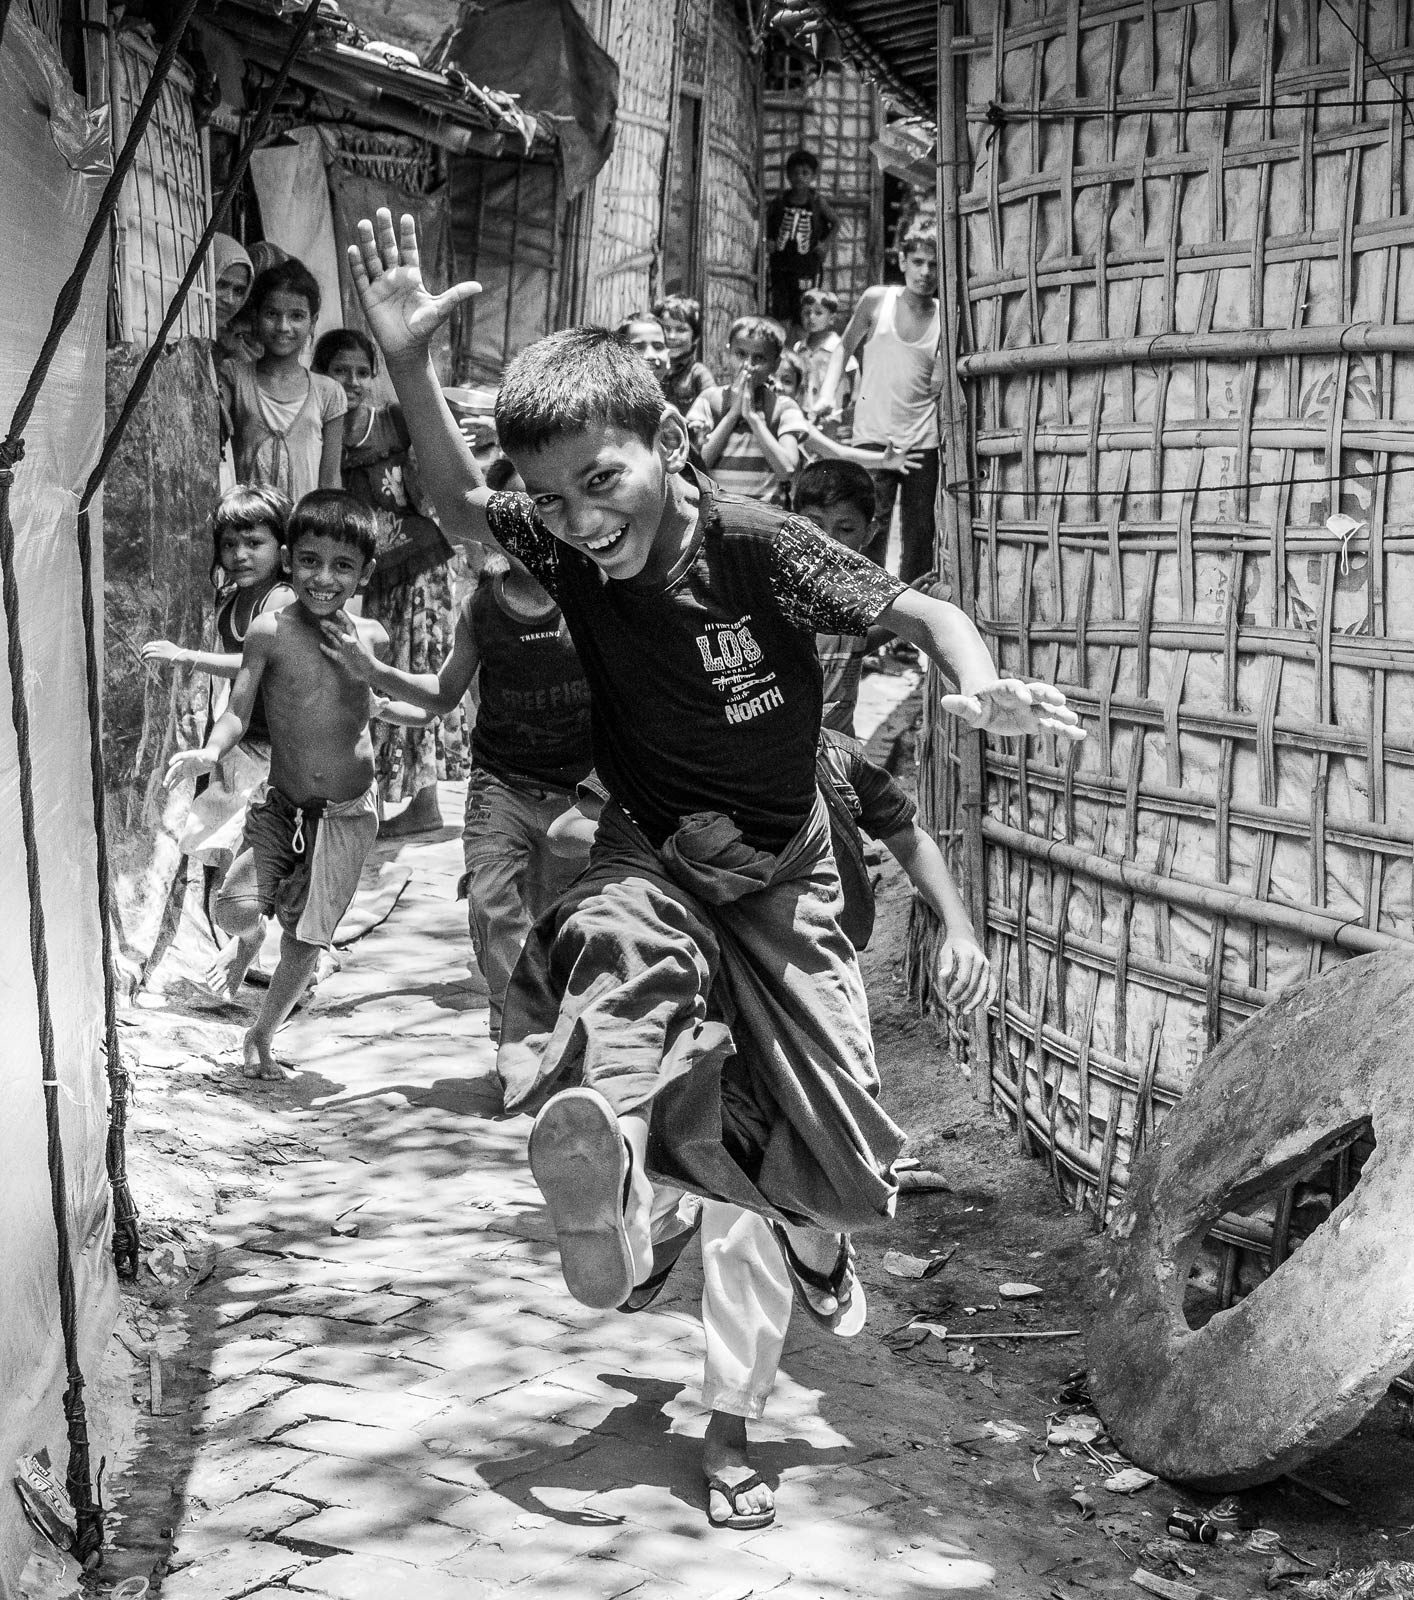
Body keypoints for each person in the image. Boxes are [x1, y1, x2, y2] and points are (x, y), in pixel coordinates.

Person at [348, 205, 1080, 1284]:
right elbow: (462, 502)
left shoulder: (761, 550)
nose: (579, 521)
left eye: (600, 482)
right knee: (616, 963)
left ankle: (805, 1238)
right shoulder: (561, 560)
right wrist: (408, 365)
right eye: (549, 501)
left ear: (671, 445)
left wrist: (979, 685)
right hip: (649, 849)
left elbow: (922, 616)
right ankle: (626, 1182)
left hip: (787, 869)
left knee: (838, 1153)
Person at [545, 731, 991, 1529]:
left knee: (779, 1198)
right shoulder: (667, 738)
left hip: (803, 999)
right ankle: (718, 1402)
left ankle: (720, 1317)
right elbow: (571, 832)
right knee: (722, 1191)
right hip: (704, 981)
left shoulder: (834, 759)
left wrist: (959, 927)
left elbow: (908, 834)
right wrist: (670, 858)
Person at [322, 455, 592, 1041]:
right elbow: (444, 694)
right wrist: (372, 671)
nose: (530, 525)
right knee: (495, 901)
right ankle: (520, 1035)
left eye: (543, 508)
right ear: (492, 529)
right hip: (502, 786)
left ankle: (561, 1032)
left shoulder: (591, 596)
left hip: (581, 794)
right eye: (513, 515)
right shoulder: (482, 607)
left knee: (558, 917)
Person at [163, 491, 388, 1079]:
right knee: (234, 908)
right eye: (311, 560)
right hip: (281, 804)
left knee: (307, 936)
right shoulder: (267, 630)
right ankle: (245, 942)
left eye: (343, 566)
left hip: (345, 814)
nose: (324, 577)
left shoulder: (371, 639)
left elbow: (395, 707)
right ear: (290, 560)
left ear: (365, 573)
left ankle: (261, 1034)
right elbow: (239, 708)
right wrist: (210, 750)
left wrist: (385, 686)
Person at [143, 485, 296, 990]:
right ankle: (251, 940)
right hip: (243, 740)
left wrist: (186, 655)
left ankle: (255, 943)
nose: (240, 555)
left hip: (281, 751)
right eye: (230, 544)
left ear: (283, 548)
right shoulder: (234, 599)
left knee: (251, 852)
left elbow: (256, 661)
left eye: (254, 542)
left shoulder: (282, 600)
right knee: (220, 846)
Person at [313, 328, 462, 838]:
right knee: (376, 680)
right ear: (322, 376)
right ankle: (390, 799)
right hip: (374, 578)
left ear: (374, 377)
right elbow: (330, 492)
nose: (352, 382)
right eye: (339, 371)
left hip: (422, 566)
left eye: (361, 372)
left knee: (415, 673)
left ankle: (425, 802)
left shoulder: (393, 421)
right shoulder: (326, 428)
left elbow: (431, 482)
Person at [811, 215, 943, 583]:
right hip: (872, 437)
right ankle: (864, 621)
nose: (925, 272)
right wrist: (826, 393)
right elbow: (844, 348)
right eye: (918, 262)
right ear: (902, 261)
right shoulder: (877, 301)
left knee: (920, 536)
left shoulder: (948, 316)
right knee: (870, 530)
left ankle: (906, 630)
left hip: (921, 442)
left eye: (934, 264)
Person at [220, 258, 346, 503]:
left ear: (313, 321)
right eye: (272, 314)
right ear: (255, 317)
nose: (283, 326)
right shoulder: (235, 376)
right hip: (249, 530)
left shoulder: (329, 392)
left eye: (297, 316)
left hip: (303, 529)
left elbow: (330, 479)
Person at [686, 316, 807, 503]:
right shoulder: (710, 400)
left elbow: (787, 470)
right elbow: (698, 465)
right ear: (728, 354)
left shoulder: (784, 408)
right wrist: (733, 415)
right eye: (740, 354)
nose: (748, 365)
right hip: (719, 517)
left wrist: (752, 418)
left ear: (775, 364)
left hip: (765, 519)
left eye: (759, 358)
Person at [771, 355, 913, 482]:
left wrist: (883, 460)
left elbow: (837, 453)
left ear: (798, 391)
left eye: (787, 381)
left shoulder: (796, 424)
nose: (778, 386)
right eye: (772, 378)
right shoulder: (752, 413)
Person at [765, 148, 837, 331]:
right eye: (795, 173)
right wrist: (770, 240)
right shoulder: (780, 202)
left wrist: (825, 244)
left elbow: (836, 223)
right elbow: (767, 224)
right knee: (781, 310)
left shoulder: (817, 202)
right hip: (780, 267)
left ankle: (800, 347)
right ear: (788, 175)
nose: (800, 177)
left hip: (807, 267)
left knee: (804, 309)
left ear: (813, 176)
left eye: (805, 173)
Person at [793, 287, 855, 421]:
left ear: (832, 318)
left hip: (830, 414)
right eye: (807, 313)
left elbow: (854, 372)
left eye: (818, 313)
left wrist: (853, 402)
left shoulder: (838, 348)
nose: (811, 318)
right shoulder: (799, 348)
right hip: (803, 413)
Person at [652, 294, 714, 413]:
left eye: (681, 330)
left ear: (695, 337)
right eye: (666, 328)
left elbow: (712, 411)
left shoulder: (698, 374)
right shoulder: (648, 369)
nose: (671, 336)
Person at [211, 234, 260, 365]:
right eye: (221, 284)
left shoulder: (233, 343)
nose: (229, 300)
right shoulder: (174, 332)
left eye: (239, 291)